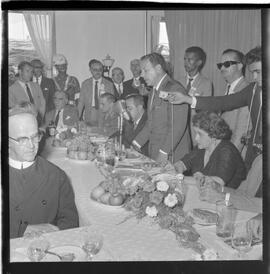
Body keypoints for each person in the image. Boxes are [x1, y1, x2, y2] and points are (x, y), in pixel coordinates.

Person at [167, 46, 262, 171]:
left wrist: (225, 160)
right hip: (240, 156)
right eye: (220, 65)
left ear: (240, 66)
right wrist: (187, 99)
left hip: (238, 157)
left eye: (258, 72)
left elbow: (240, 134)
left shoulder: (248, 88)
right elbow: (222, 102)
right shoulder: (252, 90)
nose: (254, 77)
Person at [9, 104, 79, 238]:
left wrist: (56, 232)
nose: (32, 145)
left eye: (35, 136)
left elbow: (70, 221)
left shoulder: (56, 175)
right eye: (23, 139)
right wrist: (22, 229)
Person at [132, 53, 191, 164]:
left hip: (172, 155)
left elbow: (177, 126)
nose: (142, 76)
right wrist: (136, 143)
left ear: (158, 68)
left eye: (146, 71)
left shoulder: (174, 88)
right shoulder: (154, 90)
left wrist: (164, 153)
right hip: (156, 151)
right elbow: (151, 123)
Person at [174, 111, 246, 188]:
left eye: (200, 134)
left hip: (226, 196)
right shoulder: (202, 147)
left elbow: (218, 183)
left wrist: (199, 179)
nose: (196, 138)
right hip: (203, 193)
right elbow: (183, 163)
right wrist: (175, 169)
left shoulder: (227, 152)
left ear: (213, 135)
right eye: (196, 133)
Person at [179, 47, 213, 148]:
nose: (186, 62)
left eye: (190, 59)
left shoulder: (206, 83)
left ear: (199, 63)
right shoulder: (178, 81)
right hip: (179, 131)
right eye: (185, 59)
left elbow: (205, 110)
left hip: (194, 132)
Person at [218, 49, 250, 154]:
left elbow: (242, 131)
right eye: (220, 65)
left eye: (227, 64)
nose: (222, 68)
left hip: (234, 154)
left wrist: (229, 158)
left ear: (240, 66)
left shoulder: (246, 90)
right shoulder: (228, 88)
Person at [78, 59, 115, 126]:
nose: (98, 72)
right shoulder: (85, 84)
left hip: (104, 115)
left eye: (100, 69)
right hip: (89, 113)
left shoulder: (109, 84)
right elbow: (81, 102)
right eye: (95, 70)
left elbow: (112, 104)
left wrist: (111, 119)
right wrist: (77, 118)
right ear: (90, 70)